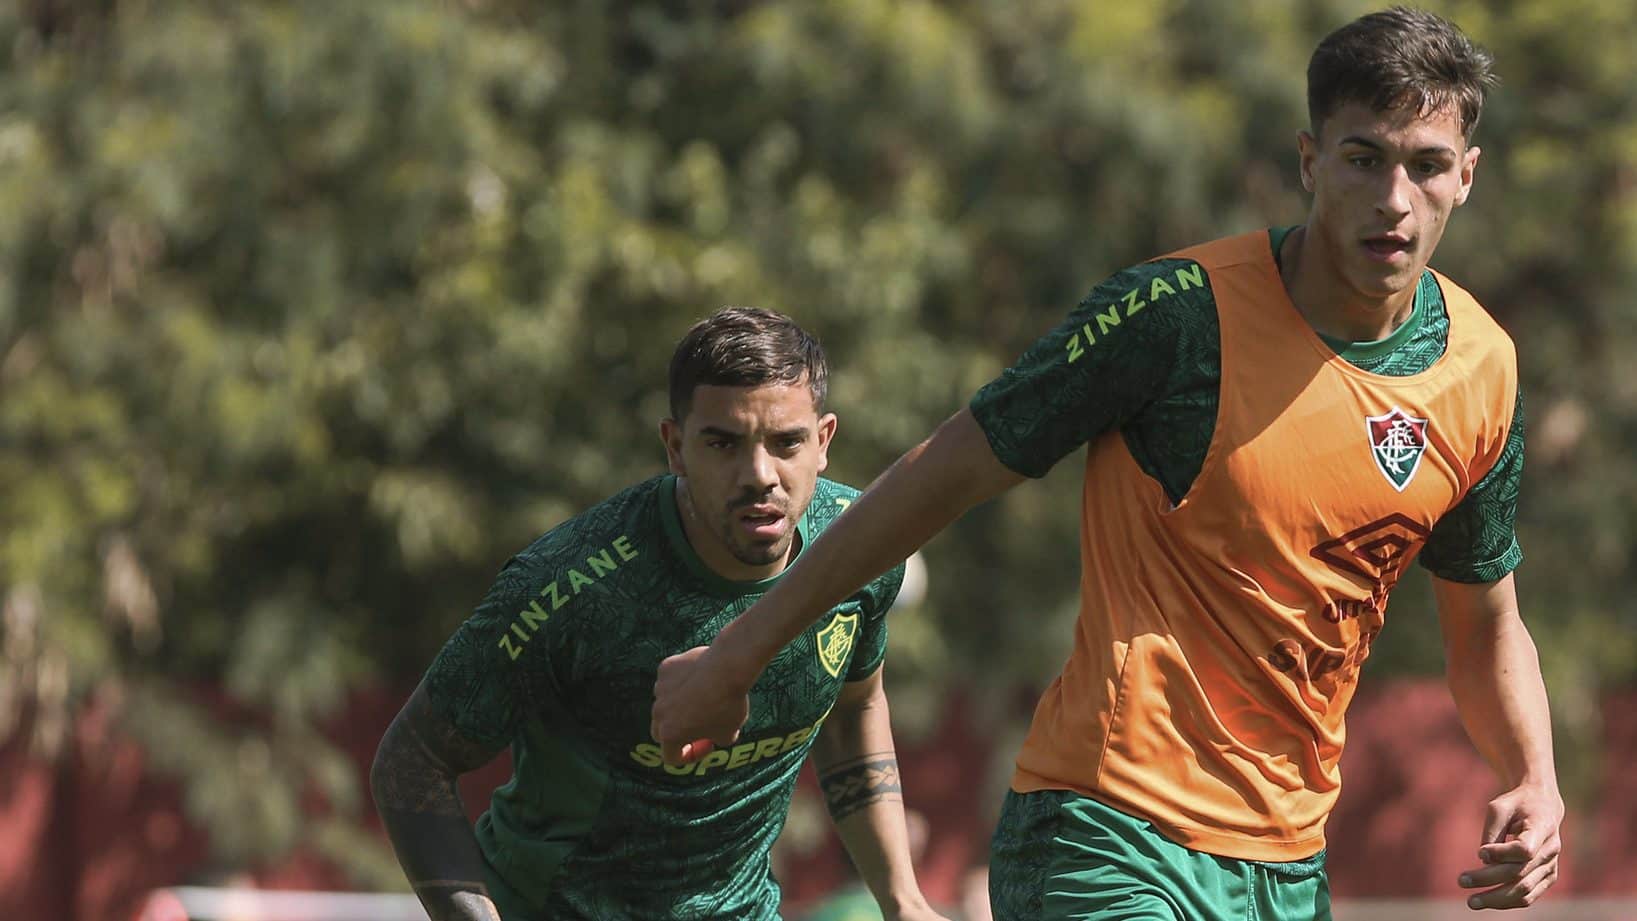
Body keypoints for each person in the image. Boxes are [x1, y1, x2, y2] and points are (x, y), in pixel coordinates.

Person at [651, 9, 1563, 920]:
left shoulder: (1480, 368)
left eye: (1425, 165)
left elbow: (1485, 622)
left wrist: (1533, 773)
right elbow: (945, 474)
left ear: (1465, 176)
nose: (1394, 197)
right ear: (1308, 160)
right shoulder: (1178, 316)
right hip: (1107, 836)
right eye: (1363, 158)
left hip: (1286, 867)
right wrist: (739, 653)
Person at [372, 307, 949, 921]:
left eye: (786, 443)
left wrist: (903, 900)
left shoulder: (862, 548)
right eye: (723, 443)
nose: (760, 475)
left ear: (823, 441)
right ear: (675, 447)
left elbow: (854, 710)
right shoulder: (570, 584)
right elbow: (413, 761)